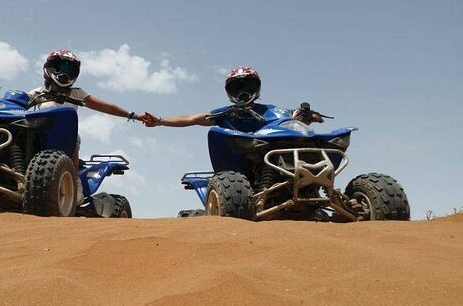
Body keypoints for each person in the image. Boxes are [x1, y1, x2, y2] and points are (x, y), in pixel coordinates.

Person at [29, 49, 147, 203]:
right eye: (62, 67)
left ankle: (74, 181)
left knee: (75, 138)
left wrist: (133, 115)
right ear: (50, 67)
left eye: (70, 70)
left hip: (65, 140)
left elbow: (106, 106)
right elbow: (15, 102)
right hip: (39, 135)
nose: (65, 73)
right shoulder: (38, 93)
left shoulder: (76, 94)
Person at [143, 66, 323, 130]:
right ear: (229, 91)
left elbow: (297, 117)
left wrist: (309, 116)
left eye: (248, 86)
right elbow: (192, 119)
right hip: (241, 162)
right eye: (237, 87)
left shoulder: (274, 111)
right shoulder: (226, 115)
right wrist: (160, 121)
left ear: (257, 88)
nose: (243, 92)